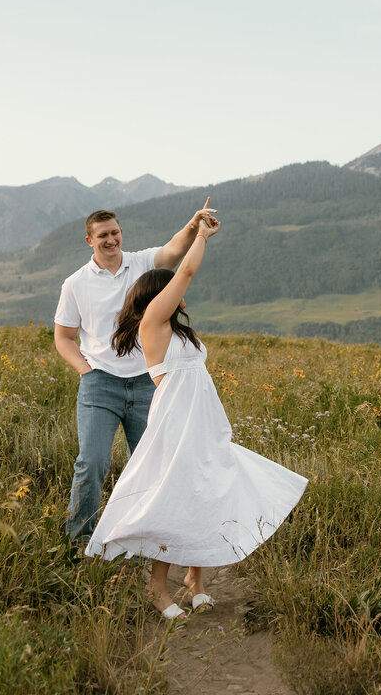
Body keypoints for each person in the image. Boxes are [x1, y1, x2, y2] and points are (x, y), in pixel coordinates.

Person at [85, 212, 307, 620]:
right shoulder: (152, 323)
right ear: (159, 294)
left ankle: (195, 581)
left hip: (201, 420)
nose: (179, 291)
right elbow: (184, 269)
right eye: (170, 288)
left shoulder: (179, 330)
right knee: (175, 498)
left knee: (207, 490)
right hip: (176, 422)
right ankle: (157, 588)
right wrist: (201, 235)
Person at [55, 199, 218, 543]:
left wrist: (193, 226)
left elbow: (174, 253)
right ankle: (80, 540)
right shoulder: (75, 284)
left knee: (149, 463)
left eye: (115, 232)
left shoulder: (141, 263)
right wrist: (86, 371)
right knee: (92, 462)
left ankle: (142, 536)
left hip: (147, 382)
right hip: (100, 383)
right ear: (90, 241)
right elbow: (64, 337)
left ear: (121, 233)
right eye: (103, 235)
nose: (111, 239)